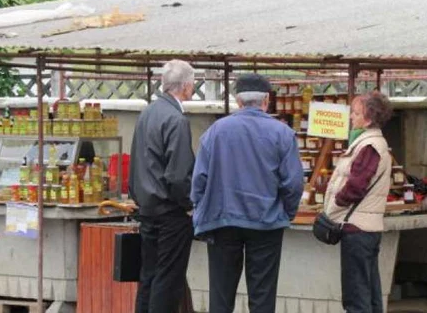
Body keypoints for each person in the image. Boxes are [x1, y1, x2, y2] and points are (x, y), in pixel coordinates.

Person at [190, 73, 304, 313]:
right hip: (266, 222)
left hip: (222, 220)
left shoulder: (215, 132)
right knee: (262, 295)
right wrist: (287, 212)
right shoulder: (282, 133)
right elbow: (293, 183)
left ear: (238, 102)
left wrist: (201, 210)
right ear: (266, 101)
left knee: (220, 294)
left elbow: (199, 180)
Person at [128, 59, 196, 313]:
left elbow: (135, 159)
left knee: (149, 276)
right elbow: (178, 174)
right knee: (167, 280)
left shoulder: (147, 113)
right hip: (170, 211)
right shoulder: (176, 120)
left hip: (147, 207)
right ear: (187, 87)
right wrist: (188, 204)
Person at [323, 91, 393, 313]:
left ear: (369, 118)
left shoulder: (369, 146)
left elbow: (355, 186)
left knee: (356, 296)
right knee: (370, 292)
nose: (351, 117)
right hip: (366, 228)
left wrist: (334, 206)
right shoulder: (370, 143)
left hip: (358, 231)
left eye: (355, 113)